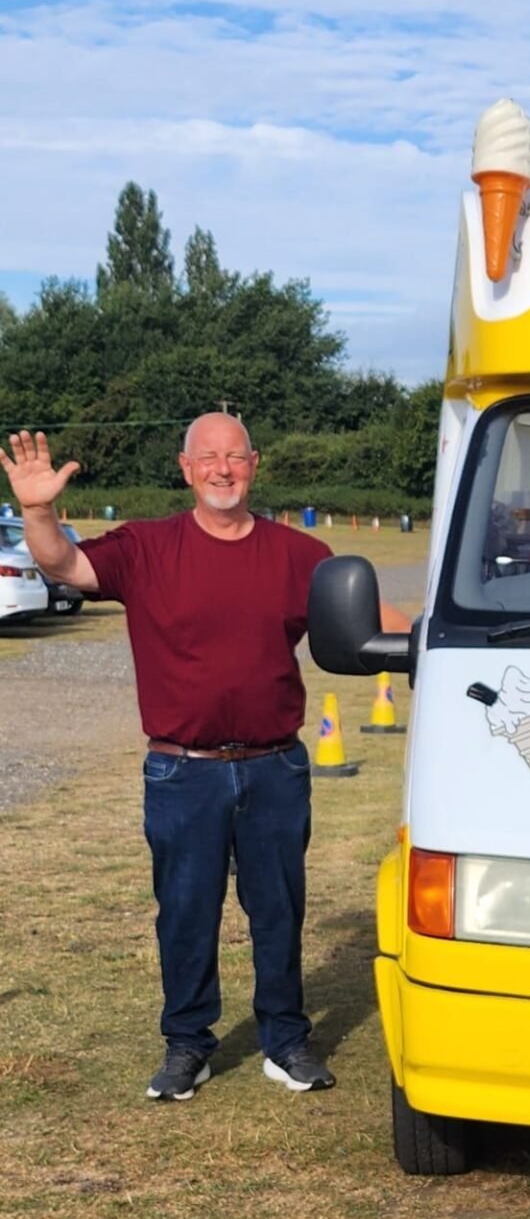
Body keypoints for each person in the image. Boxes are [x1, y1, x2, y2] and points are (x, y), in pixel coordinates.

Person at [0, 417, 407, 1102]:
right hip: (181, 771)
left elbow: (373, 620)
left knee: (277, 909)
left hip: (275, 767)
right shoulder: (147, 546)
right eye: (208, 458)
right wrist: (38, 510)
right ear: (185, 468)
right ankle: (188, 1044)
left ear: (254, 464)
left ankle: (285, 1040)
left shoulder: (299, 554)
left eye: (235, 457)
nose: (223, 470)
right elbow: (64, 566)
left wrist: (454, 644)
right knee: (185, 912)